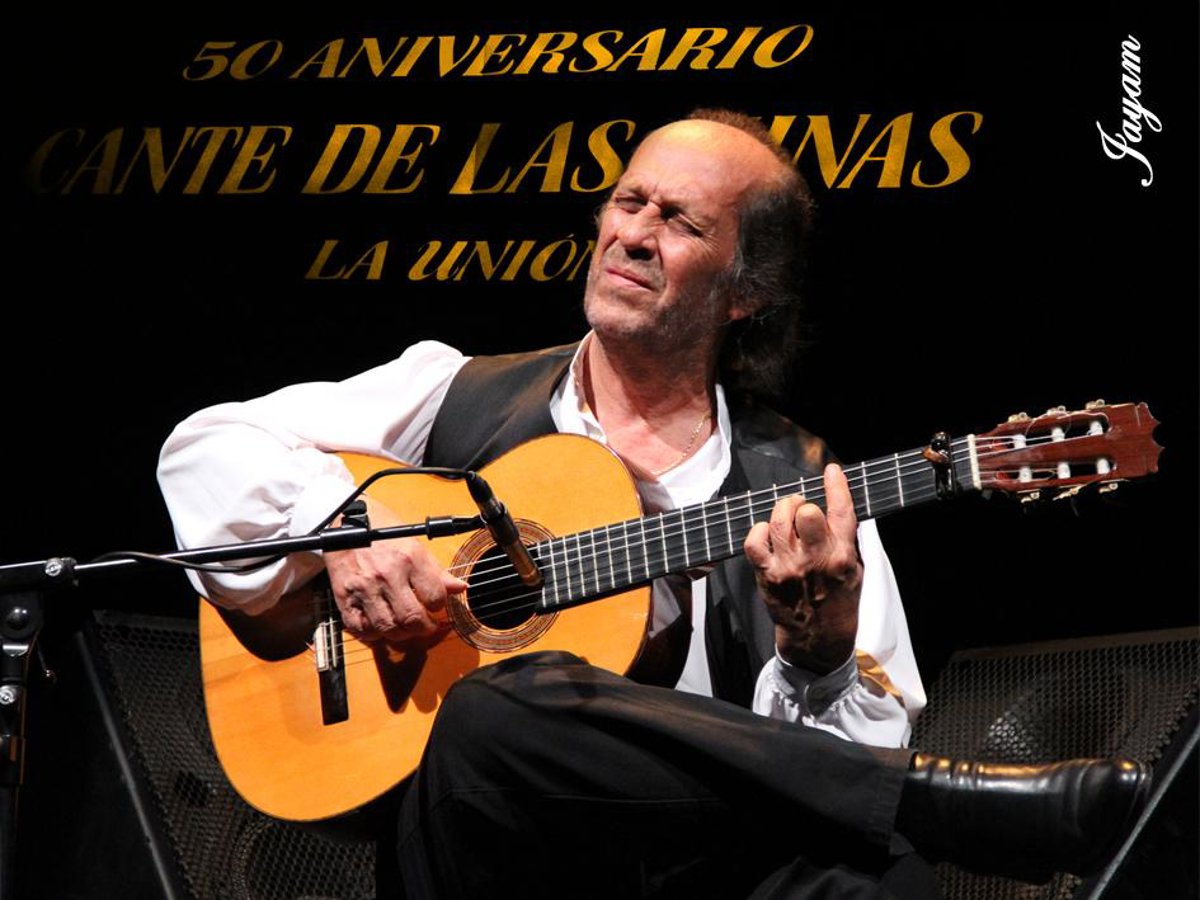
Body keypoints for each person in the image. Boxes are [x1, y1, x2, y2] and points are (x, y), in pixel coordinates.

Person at [159, 110, 1148, 898]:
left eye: (681, 222)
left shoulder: (805, 488)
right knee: (495, 706)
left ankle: (927, 812)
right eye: (629, 201)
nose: (633, 233)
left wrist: (817, 653)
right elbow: (203, 448)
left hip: (697, 871)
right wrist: (350, 525)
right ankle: (947, 805)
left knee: (879, 876)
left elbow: (846, 777)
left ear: (745, 293)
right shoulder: (456, 392)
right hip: (488, 855)